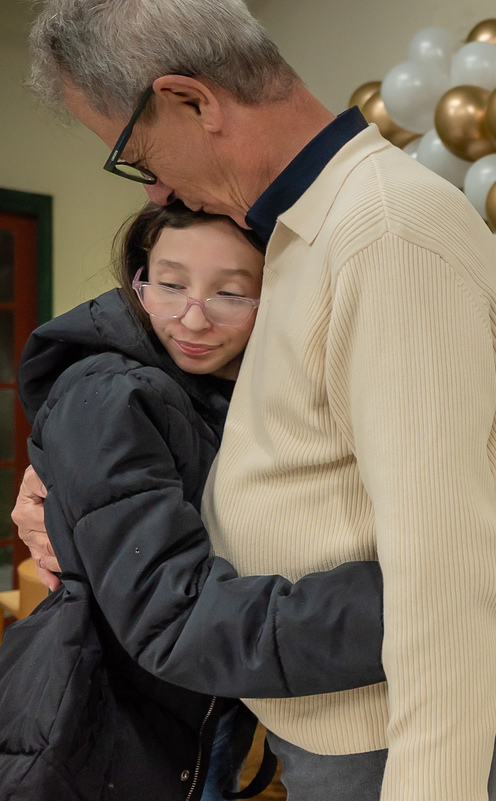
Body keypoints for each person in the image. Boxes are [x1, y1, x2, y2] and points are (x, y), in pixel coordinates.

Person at [20, 2, 496, 799]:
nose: (153, 188)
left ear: (192, 101)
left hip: (381, 727)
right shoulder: (292, 229)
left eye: (133, 152)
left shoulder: (384, 235)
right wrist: (63, 489)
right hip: (312, 705)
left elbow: (445, 579)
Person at [0, 202, 388, 800]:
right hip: (114, 718)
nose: (193, 318)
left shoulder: (229, 388)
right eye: (170, 284)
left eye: (230, 293)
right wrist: (402, 610)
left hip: (201, 707)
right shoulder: (114, 395)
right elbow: (171, 619)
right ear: (139, 279)